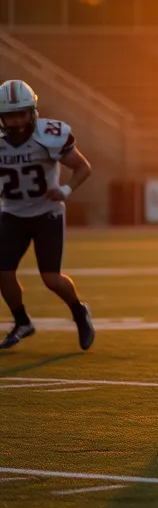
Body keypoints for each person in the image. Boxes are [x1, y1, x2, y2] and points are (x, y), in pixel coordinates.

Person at [0, 79, 95, 351]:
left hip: (47, 214)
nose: (16, 121)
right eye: (9, 115)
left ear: (33, 112)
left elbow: (82, 167)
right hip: (12, 214)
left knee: (51, 279)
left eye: (21, 113)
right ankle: (22, 322)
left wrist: (65, 189)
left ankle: (79, 311)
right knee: (3, 272)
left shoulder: (49, 135)